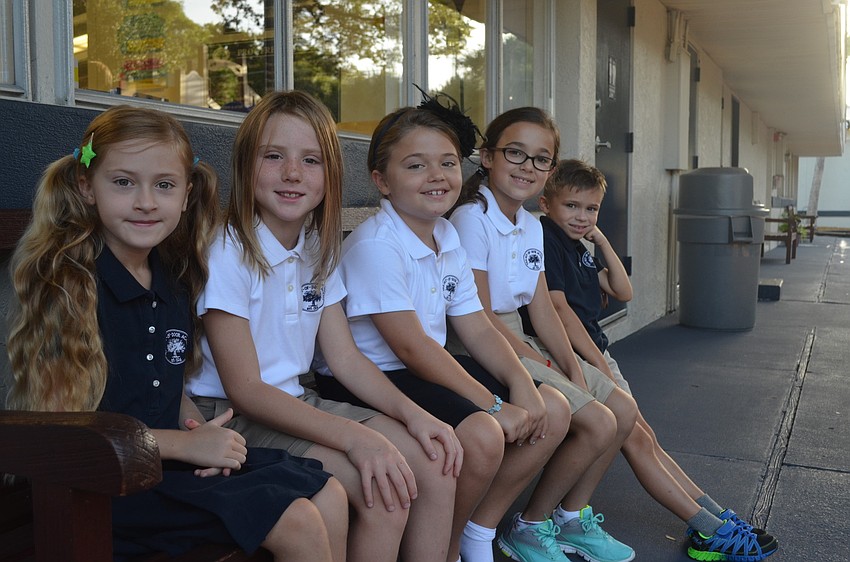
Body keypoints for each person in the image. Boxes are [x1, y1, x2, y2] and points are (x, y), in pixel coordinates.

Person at [5, 105, 347, 562]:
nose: (146, 201)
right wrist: (185, 445)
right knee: (298, 520)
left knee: (330, 493)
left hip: (166, 462)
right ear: (87, 186)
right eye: (123, 182)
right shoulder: (67, 284)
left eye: (164, 185)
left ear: (186, 194)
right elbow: (65, 429)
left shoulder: (172, 276)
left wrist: (201, 434)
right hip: (98, 485)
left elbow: (168, 381)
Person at [186, 90, 462, 562]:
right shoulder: (226, 249)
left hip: (295, 400)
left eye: (310, 160)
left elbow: (347, 359)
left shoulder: (315, 244)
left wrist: (414, 415)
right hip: (230, 416)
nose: (293, 173)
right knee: (385, 488)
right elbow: (248, 389)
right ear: (245, 164)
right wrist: (359, 437)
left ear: (330, 175)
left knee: (434, 460)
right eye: (274, 156)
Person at [323, 94, 585, 562]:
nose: (437, 176)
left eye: (446, 162)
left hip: (421, 367)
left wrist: (521, 384)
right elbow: (410, 348)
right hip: (375, 376)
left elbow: (479, 327)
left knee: (553, 409)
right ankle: (444, 547)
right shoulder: (377, 245)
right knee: (484, 432)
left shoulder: (445, 235)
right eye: (416, 166)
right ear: (382, 181)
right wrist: (493, 403)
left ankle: (467, 532)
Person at [536, 158, 779, 562]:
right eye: (572, 207)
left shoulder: (578, 245)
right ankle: (707, 529)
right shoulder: (545, 238)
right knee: (635, 440)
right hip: (576, 356)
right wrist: (597, 366)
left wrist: (602, 240)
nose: (581, 217)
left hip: (596, 352)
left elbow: (623, 291)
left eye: (591, 209)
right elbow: (559, 311)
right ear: (547, 204)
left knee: (645, 436)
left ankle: (715, 515)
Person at [449, 106, 638, 562]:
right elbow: (476, 315)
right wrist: (543, 367)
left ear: (550, 170)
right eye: (515, 153)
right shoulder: (472, 219)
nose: (527, 167)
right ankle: (511, 526)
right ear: (487, 157)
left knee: (621, 408)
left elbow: (541, 309)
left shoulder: (530, 224)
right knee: (594, 422)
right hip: (476, 341)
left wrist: (573, 366)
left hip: (518, 335)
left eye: (540, 158)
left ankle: (566, 519)